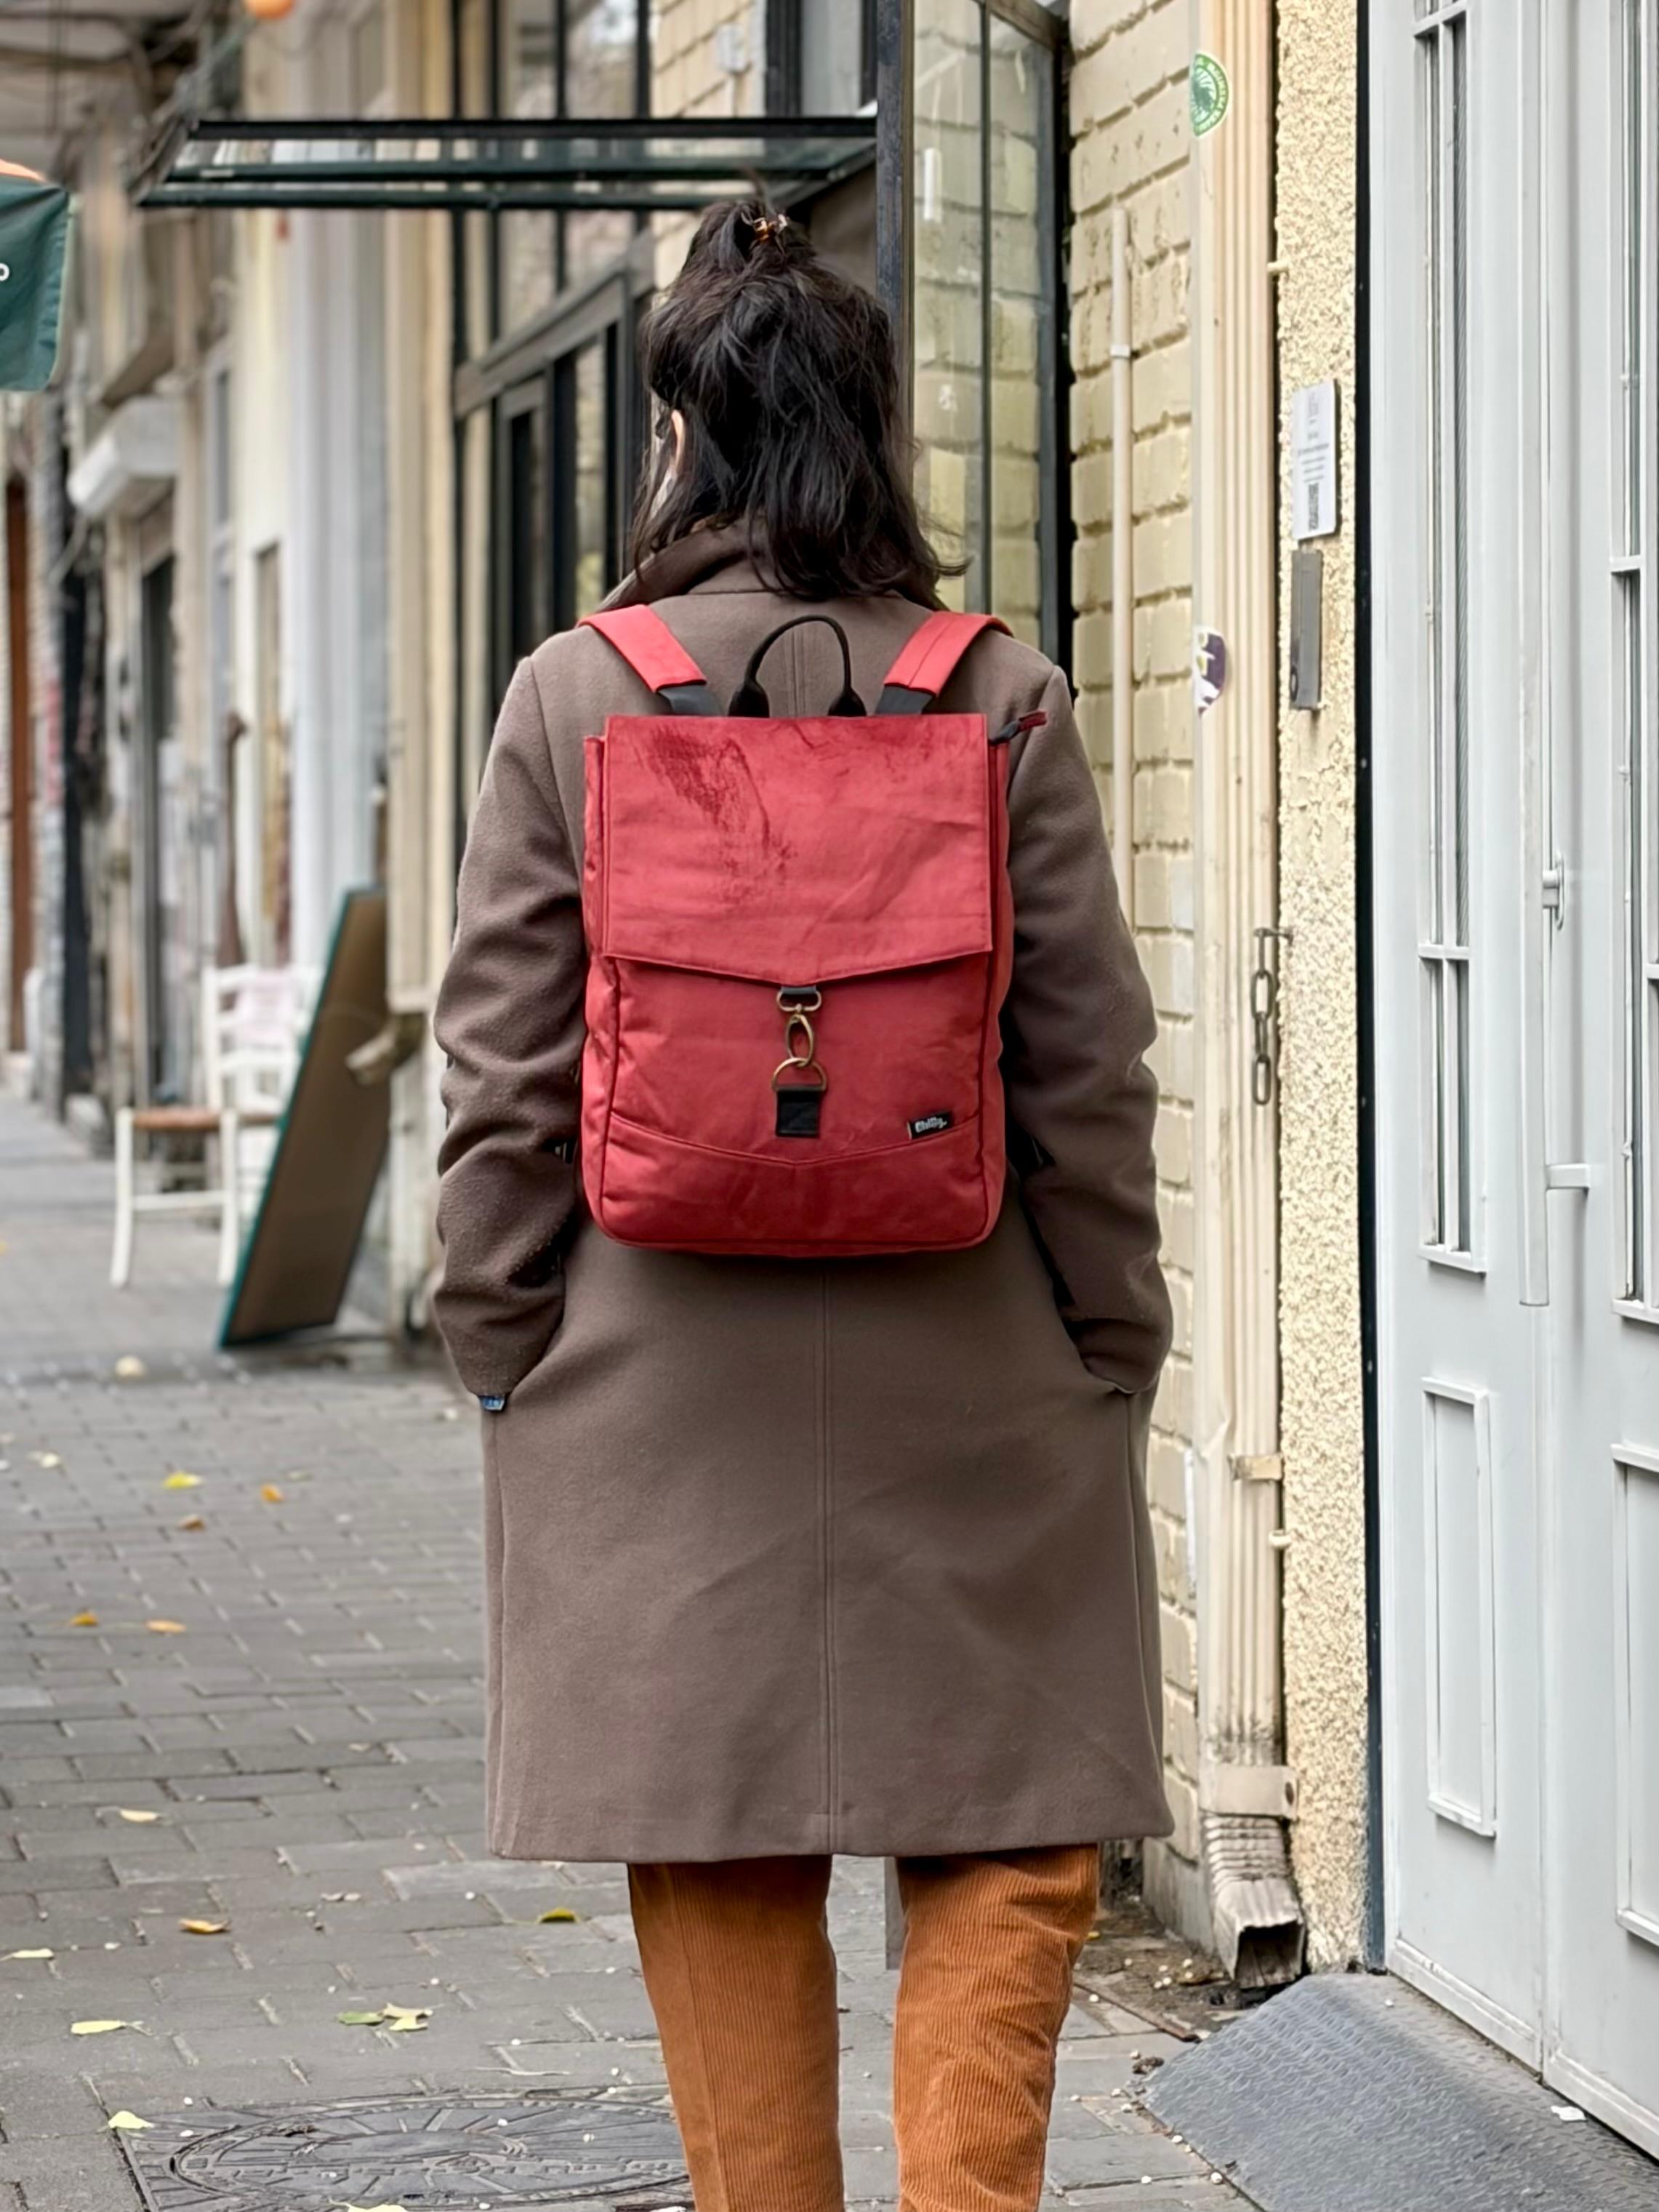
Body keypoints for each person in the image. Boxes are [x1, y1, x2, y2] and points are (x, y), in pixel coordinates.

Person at [433, 199, 1172, 2212]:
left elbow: (500, 1074)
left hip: (652, 1373)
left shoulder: (575, 695)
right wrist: (1110, 1332)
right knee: (1011, 1829)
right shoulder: (997, 693)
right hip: (978, 1360)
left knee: (721, 1836)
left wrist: (500, 1336)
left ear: (683, 437)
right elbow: (1085, 1069)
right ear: (873, 434)